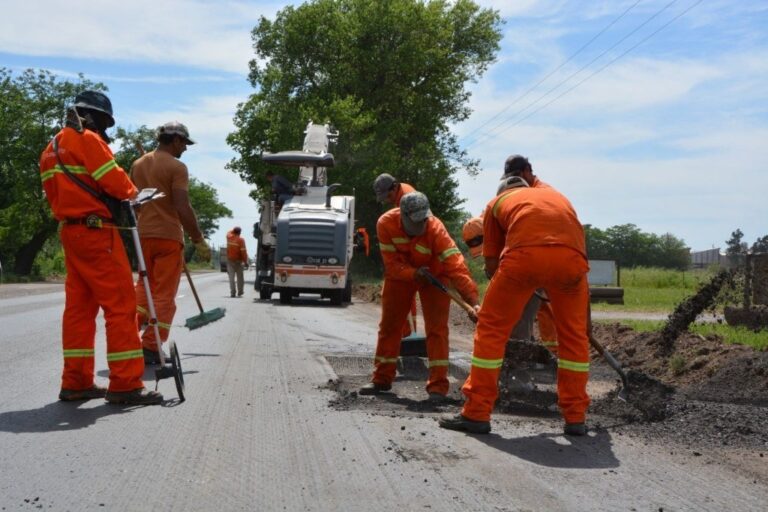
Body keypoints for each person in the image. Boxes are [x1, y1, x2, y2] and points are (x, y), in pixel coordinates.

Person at [440, 175, 590, 436]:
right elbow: (573, 248)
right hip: (572, 263)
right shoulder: (558, 198)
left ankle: (476, 413)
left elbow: (491, 263)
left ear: (502, 191)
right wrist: (585, 320)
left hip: (523, 259)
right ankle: (575, 417)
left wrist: (491, 307)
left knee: (490, 331)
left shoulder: (496, 203)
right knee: (574, 337)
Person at [39, 90, 162, 405]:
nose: (104, 129)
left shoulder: (50, 148)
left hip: (71, 233)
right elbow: (116, 182)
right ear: (91, 116)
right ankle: (125, 385)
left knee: (79, 312)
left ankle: (76, 381)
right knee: (121, 306)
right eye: (104, 121)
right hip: (97, 233)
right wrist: (135, 194)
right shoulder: (88, 141)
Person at [360, 192, 479, 399]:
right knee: (390, 326)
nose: (423, 223)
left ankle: (437, 387)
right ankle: (381, 379)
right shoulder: (386, 223)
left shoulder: (435, 229)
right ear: (403, 216)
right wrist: (413, 273)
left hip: (436, 275)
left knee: (437, 329)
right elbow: (392, 265)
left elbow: (457, 268)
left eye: (425, 218)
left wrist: (473, 301)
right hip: (400, 275)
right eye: (417, 220)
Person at [131, 121, 211, 365]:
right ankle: (152, 347)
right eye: (184, 143)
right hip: (167, 238)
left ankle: (128, 341)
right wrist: (198, 239)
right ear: (175, 140)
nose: (185, 148)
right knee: (164, 296)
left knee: (143, 290)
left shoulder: (137, 164)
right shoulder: (177, 167)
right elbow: (182, 206)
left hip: (142, 234)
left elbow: (133, 201)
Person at [462, 216, 557, 352]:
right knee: (517, 322)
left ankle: (541, 353)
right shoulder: (487, 227)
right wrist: (483, 311)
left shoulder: (512, 231)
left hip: (537, 264)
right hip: (521, 268)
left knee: (525, 319)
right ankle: (525, 348)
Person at [373, 173, 419, 338]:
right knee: (404, 294)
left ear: (395, 186)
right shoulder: (402, 194)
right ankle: (408, 334)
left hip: (414, 254)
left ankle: (408, 335)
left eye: (388, 195)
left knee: (401, 293)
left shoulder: (406, 199)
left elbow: (412, 232)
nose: (387, 200)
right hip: (409, 254)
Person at [226, 226, 248, 297]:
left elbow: (229, 231)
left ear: (234, 231)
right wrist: (245, 262)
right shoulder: (241, 240)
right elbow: (243, 252)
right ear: (240, 233)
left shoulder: (229, 237)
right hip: (238, 262)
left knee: (231, 278)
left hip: (230, 261)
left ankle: (232, 293)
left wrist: (234, 230)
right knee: (240, 278)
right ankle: (240, 292)